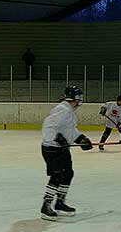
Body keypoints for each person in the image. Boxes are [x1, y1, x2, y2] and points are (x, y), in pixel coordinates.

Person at [40, 85, 93, 221]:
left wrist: (81, 138)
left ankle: (60, 203)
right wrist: (57, 138)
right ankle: (46, 207)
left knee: (68, 173)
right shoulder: (62, 110)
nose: (80, 102)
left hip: (61, 148)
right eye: (79, 99)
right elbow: (48, 126)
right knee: (57, 176)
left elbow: (70, 129)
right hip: (52, 148)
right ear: (75, 99)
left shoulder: (69, 111)